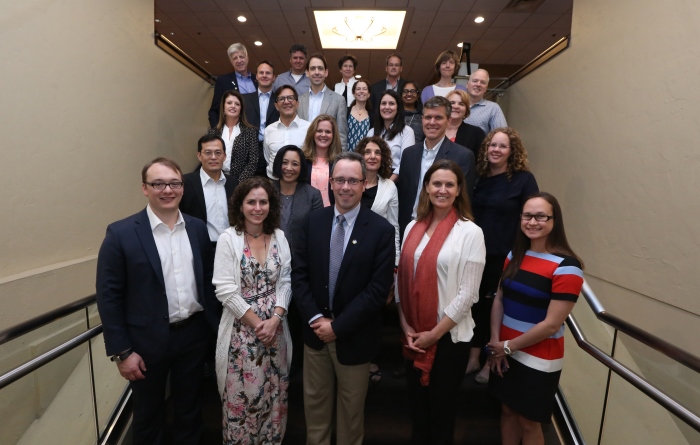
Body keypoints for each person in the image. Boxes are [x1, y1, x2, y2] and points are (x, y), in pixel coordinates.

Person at [96, 157, 220, 445]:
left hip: (192, 336)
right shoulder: (121, 234)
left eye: (175, 183)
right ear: (145, 188)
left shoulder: (198, 228)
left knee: (189, 411)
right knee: (148, 417)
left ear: (182, 187)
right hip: (144, 344)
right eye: (159, 183)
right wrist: (122, 352)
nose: (168, 190)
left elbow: (207, 281)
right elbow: (109, 296)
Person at [291, 152, 395, 445]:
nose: (345, 187)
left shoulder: (381, 231)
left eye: (352, 180)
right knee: (315, 409)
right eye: (340, 180)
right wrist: (316, 319)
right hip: (315, 335)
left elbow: (378, 290)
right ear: (331, 183)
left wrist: (337, 327)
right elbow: (299, 276)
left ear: (364, 184)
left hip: (355, 337)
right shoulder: (313, 222)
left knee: (351, 415)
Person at [396, 159, 486, 445]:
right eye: (437, 183)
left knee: (441, 414)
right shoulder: (413, 227)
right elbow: (402, 282)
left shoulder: (470, 232)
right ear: (426, 187)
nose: (442, 190)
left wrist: (433, 334)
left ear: (459, 190)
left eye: (449, 184)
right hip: (414, 335)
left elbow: (469, 294)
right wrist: (406, 326)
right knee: (418, 412)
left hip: (449, 338)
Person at [487, 192, 584, 445]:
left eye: (541, 216)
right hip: (504, 350)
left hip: (539, 357)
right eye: (527, 215)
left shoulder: (567, 266)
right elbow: (499, 299)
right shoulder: (514, 255)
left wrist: (508, 347)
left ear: (554, 221)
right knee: (507, 411)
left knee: (529, 423)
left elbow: (551, 324)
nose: (533, 222)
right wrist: (497, 343)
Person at [212, 177, 293, 445]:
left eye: (263, 201)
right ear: (240, 205)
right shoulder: (228, 238)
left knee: (274, 397)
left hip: (276, 333)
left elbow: (286, 281)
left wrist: (276, 319)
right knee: (243, 401)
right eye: (251, 202)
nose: (257, 207)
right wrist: (261, 324)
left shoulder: (279, 237)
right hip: (242, 335)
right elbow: (225, 290)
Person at [468, 127, 539, 385]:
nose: (496, 150)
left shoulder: (523, 179)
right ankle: (473, 357)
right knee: (475, 305)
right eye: (492, 145)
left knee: (493, 308)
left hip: (505, 256)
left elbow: (533, 217)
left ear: (512, 151)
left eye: (502, 146)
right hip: (476, 254)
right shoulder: (479, 177)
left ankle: (490, 359)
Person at [272, 144, 324, 373]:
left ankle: (297, 370)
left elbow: (317, 234)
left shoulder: (312, 194)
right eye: (285, 162)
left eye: (295, 163)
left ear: (301, 166)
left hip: (301, 267)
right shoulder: (267, 189)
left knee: (297, 318)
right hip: (270, 266)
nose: (289, 168)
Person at [396, 96, 475, 238]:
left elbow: (463, 200)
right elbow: (403, 194)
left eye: (438, 117)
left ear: (449, 120)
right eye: (428, 117)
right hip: (409, 226)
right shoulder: (409, 154)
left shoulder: (463, 156)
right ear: (422, 119)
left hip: (444, 230)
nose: (432, 122)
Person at [355, 136, 400, 384]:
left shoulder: (389, 188)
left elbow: (393, 226)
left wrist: (394, 266)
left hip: (377, 260)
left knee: (373, 312)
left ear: (382, 158)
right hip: (350, 258)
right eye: (367, 151)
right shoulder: (352, 183)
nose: (372, 156)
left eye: (377, 152)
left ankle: (371, 359)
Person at [180, 134, 240, 246]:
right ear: (199, 156)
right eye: (208, 153)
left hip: (232, 246)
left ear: (224, 156)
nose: (213, 157)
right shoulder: (186, 183)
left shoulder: (234, 183)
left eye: (218, 153)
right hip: (200, 247)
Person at [297, 53, 348, 151]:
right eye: (313, 68)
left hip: (328, 156)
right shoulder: (299, 100)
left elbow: (341, 135)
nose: (317, 72)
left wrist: (341, 159)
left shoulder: (339, 100)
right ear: (307, 73)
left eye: (320, 68)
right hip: (303, 154)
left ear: (326, 72)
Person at [367, 90, 415, 181]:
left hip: (396, 180)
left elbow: (407, 162)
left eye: (391, 103)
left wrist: (389, 184)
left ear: (398, 108)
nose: (387, 107)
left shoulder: (407, 132)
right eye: (383, 103)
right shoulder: (371, 132)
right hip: (373, 179)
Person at [210, 90, 259, 181]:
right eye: (229, 103)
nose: (233, 106)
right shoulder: (214, 132)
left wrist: (238, 183)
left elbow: (253, 162)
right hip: (216, 179)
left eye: (237, 104)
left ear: (241, 109)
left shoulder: (250, 131)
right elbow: (209, 158)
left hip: (241, 182)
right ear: (223, 107)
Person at [264, 85, 310, 179]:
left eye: (290, 98)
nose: (286, 102)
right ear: (276, 106)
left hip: (301, 183)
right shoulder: (269, 130)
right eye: (281, 99)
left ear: (297, 103)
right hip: (273, 184)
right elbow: (268, 158)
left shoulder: (309, 128)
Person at [243, 60, 280, 176]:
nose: (264, 75)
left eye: (268, 73)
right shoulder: (244, 99)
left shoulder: (280, 100)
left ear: (274, 77)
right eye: (261, 73)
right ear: (256, 76)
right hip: (250, 150)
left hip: (273, 148)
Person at [208, 43, 258, 127]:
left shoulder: (257, 80)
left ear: (247, 58)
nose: (239, 60)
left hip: (257, 132)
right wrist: (217, 133)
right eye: (235, 58)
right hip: (234, 132)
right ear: (231, 62)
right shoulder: (223, 81)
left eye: (241, 57)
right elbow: (214, 111)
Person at [302, 114, 343, 207]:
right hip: (307, 215)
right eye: (319, 131)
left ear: (333, 135)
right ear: (312, 133)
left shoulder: (339, 162)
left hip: (331, 215)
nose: (323, 135)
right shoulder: (302, 160)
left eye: (328, 131)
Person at [446, 89, 486, 159]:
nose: (456, 106)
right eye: (452, 103)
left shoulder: (476, 133)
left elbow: (481, 161)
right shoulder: (434, 129)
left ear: (466, 110)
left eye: (461, 104)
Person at [465, 69, 507, 134]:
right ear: (467, 84)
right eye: (475, 81)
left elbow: (502, 134)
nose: (478, 84)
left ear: (486, 88)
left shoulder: (493, 108)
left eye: (483, 82)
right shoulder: (456, 105)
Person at [346, 79, 373, 151]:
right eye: (358, 89)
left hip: (364, 157)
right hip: (346, 155)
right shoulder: (346, 111)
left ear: (369, 94)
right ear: (354, 93)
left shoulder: (373, 115)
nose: (361, 91)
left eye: (364, 89)